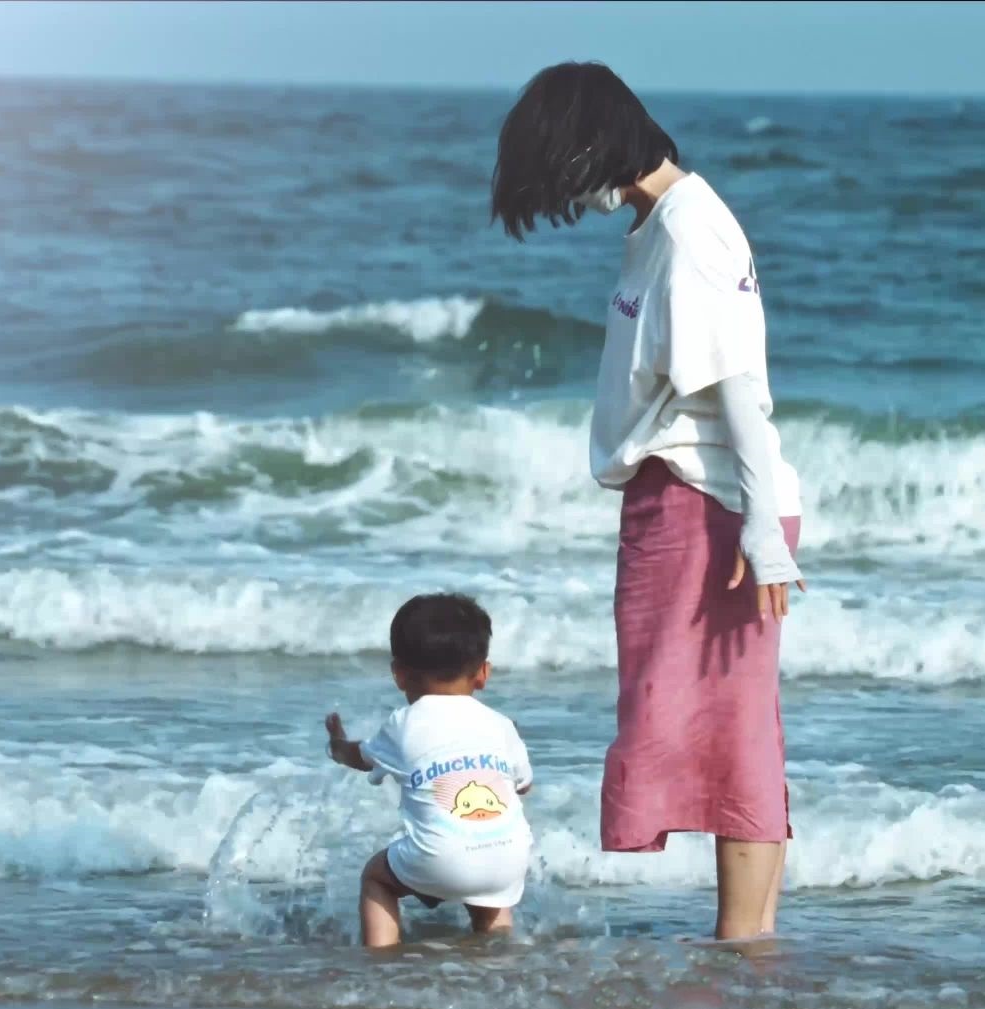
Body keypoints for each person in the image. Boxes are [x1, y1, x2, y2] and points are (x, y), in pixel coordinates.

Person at [491, 62, 805, 941]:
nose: (567, 192)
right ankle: (747, 942)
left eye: (564, 168)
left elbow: (739, 389)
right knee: (715, 730)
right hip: (683, 505)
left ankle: (744, 946)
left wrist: (761, 528)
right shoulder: (659, 224)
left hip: (711, 506)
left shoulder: (692, 231)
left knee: (735, 736)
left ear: (597, 143)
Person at [324, 592, 534, 947]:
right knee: (490, 899)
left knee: (376, 878)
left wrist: (337, 744)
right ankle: (498, 957)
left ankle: (382, 957)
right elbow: (523, 785)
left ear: (398, 674)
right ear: (483, 673)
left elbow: (360, 758)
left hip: (439, 858)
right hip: (508, 859)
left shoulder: (403, 724)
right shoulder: (501, 725)